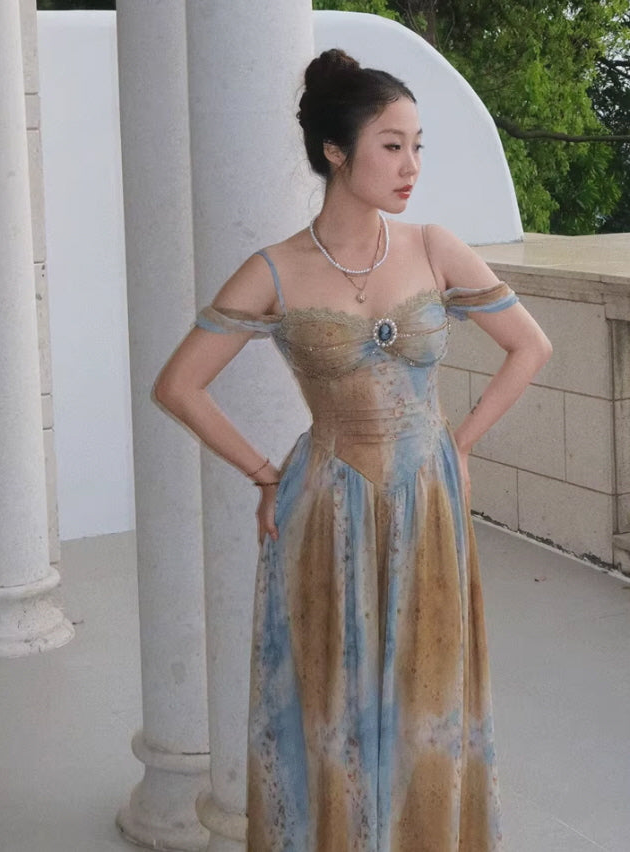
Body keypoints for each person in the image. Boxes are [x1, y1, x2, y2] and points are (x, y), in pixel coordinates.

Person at [155, 48, 551, 852]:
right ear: (337, 152)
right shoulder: (274, 270)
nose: (410, 166)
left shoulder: (434, 247)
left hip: (427, 498)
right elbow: (178, 386)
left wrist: (459, 445)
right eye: (391, 145)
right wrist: (267, 474)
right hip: (325, 507)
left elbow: (530, 347)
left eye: (417, 146)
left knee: (428, 697)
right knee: (329, 705)